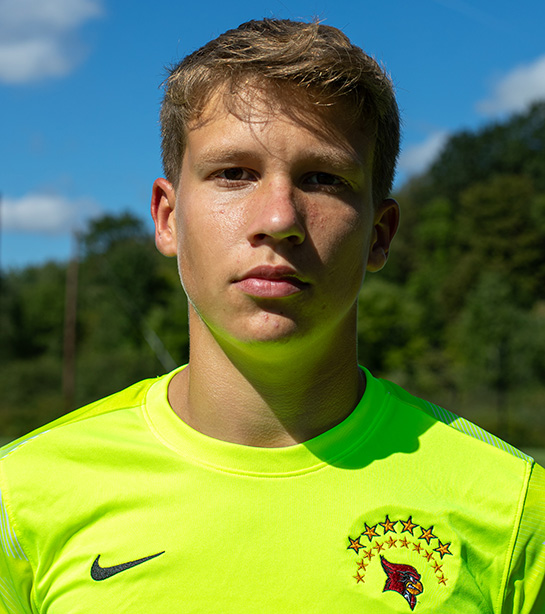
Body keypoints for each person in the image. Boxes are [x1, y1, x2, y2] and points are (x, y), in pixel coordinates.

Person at [0, 18, 543, 614]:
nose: (280, 218)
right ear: (167, 218)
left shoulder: (515, 507)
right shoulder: (20, 498)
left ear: (379, 234)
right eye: (234, 173)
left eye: (323, 179)